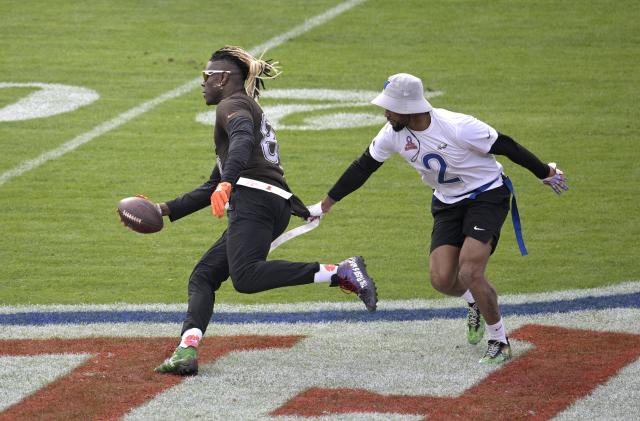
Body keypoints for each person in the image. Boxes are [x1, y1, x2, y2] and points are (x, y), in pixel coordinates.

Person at [309, 73, 568, 364]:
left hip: (486, 196)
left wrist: (544, 172)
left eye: (391, 106)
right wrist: (325, 204)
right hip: (447, 202)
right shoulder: (392, 133)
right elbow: (363, 167)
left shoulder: (458, 127)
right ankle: (475, 303)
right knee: (443, 280)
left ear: (410, 107)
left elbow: (507, 145)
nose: (385, 112)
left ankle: (499, 340)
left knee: (470, 271)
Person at [152, 46, 378, 376]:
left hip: (254, 201)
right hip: (269, 201)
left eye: (206, 76)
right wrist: (164, 209)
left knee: (245, 277)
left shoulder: (233, 105)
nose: (202, 83)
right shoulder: (247, 106)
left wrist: (228, 183)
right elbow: (212, 183)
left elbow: (241, 142)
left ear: (223, 78)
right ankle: (187, 349)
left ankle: (339, 272)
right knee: (204, 275)